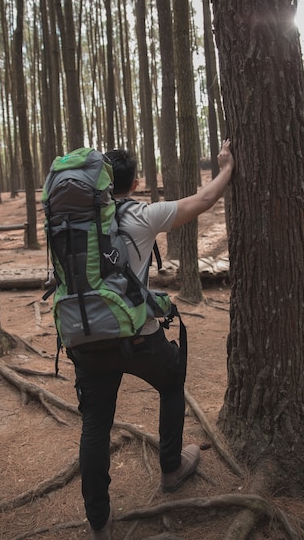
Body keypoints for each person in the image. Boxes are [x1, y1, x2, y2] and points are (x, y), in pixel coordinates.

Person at [66, 140, 235, 540]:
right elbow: (205, 199)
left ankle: (99, 523)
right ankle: (172, 468)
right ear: (136, 182)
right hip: (136, 338)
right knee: (172, 380)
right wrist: (227, 167)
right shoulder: (141, 215)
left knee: (95, 424)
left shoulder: (76, 223)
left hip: (84, 338)